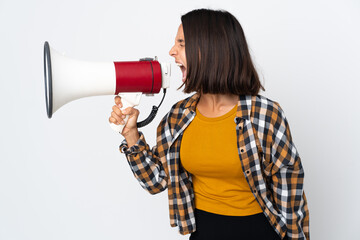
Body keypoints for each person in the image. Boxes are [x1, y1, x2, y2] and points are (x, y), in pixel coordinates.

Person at [109, 8, 309, 240]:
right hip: (204, 231)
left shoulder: (265, 114)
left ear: (210, 50)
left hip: (259, 231)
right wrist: (131, 134)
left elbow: (290, 192)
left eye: (182, 44)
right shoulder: (178, 117)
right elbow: (156, 181)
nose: (171, 51)